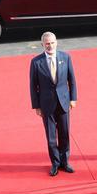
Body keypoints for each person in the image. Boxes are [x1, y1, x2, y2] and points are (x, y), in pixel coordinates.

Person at [29, 32, 77, 176]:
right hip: (46, 104)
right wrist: (36, 106)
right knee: (51, 137)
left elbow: (72, 79)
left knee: (64, 134)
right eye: (47, 43)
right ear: (42, 44)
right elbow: (33, 85)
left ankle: (65, 162)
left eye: (52, 43)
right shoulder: (36, 62)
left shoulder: (65, 57)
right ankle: (55, 163)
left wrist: (73, 98)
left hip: (63, 102)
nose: (50, 46)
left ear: (56, 42)